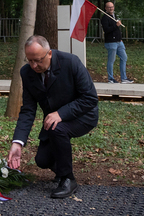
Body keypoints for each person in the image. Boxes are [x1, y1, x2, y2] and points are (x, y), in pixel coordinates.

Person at [7, 35, 98, 199]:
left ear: (49, 53)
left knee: (57, 128)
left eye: (38, 60)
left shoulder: (71, 62)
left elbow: (90, 98)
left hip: (83, 115)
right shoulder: (26, 72)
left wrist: (61, 114)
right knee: (42, 160)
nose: (34, 65)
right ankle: (63, 167)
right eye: (30, 60)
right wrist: (17, 142)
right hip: (54, 119)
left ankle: (68, 179)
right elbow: (28, 109)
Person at [100, 2, 133, 83]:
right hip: (111, 42)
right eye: (109, 7)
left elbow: (116, 30)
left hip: (119, 41)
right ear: (106, 8)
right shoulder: (104, 18)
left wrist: (120, 38)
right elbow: (106, 30)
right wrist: (116, 25)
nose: (111, 8)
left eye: (112, 7)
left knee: (124, 57)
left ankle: (124, 78)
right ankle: (110, 78)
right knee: (111, 60)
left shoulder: (114, 16)